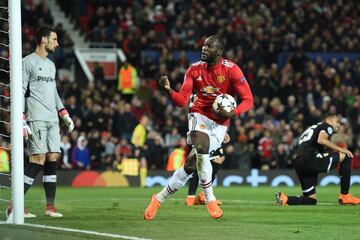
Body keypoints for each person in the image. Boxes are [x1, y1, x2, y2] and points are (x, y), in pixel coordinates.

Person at [144, 35, 253, 220]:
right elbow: (181, 101)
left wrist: (232, 114)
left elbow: (248, 100)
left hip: (220, 123)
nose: (204, 49)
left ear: (219, 52)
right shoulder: (194, 69)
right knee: (202, 148)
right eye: (203, 46)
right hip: (198, 114)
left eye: (209, 47)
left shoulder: (231, 70)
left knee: (190, 166)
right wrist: (169, 89)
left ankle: (158, 198)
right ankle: (210, 199)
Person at [8, 27, 74, 218]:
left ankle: (50, 207)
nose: (57, 43)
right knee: (37, 160)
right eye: (54, 39)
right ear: (43, 40)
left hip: (53, 119)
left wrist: (64, 114)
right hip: (36, 117)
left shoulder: (52, 65)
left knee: (52, 157)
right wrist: (20, 117)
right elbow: (20, 89)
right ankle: (14, 206)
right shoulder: (27, 62)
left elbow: (54, 93)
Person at [276, 113, 360, 206]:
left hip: (299, 163)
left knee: (311, 200)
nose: (339, 125)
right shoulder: (326, 126)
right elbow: (321, 140)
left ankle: (285, 198)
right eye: (337, 122)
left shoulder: (312, 128)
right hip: (311, 159)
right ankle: (345, 195)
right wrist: (341, 149)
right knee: (347, 156)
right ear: (329, 121)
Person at [185, 133, 230, 206]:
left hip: (202, 131)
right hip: (206, 132)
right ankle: (202, 195)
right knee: (212, 158)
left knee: (202, 159)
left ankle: (191, 197)